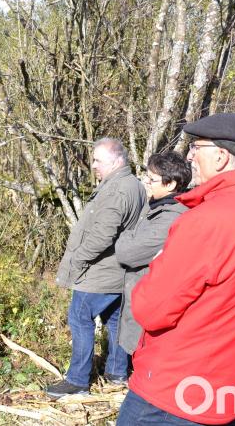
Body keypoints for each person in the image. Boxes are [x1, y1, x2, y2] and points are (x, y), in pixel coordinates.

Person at [116, 113, 235, 425]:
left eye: (195, 148)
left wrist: (159, 263)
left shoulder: (207, 220)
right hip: (228, 389)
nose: (189, 157)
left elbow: (150, 309)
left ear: (220, 156)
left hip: (171, 393)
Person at [45, 138, 146, 398]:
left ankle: (78, 380)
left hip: (100, 272)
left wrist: (78, 260)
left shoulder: (118, 190)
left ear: (116, 160)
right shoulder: (133, 184)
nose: (93, 165)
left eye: (98, 160)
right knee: (114, 320)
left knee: (79, 317)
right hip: (118, 271)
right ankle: (116, 372)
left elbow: (102, 235)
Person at [114, 151, 190, 356]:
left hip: (149, 308)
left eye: (152, 179)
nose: (147, 183)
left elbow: (126, 253)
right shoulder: (156, 207)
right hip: (141, 300)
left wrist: (125, 235)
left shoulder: (170, 218)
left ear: (171, 184)